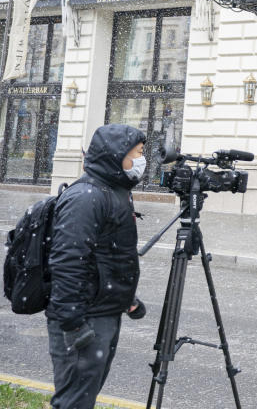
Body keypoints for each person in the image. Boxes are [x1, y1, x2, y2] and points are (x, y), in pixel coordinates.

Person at [45, 124, 149, 409]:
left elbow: (108, 255)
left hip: (103, 311)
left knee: (83, 399)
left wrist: (125, 299)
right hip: (84, 318)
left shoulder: (114, 190)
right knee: (73, 403)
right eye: (138, 153)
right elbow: (68, 262)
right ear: (118, 155)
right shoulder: (87, 197)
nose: (142, 160)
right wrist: (73, 325)